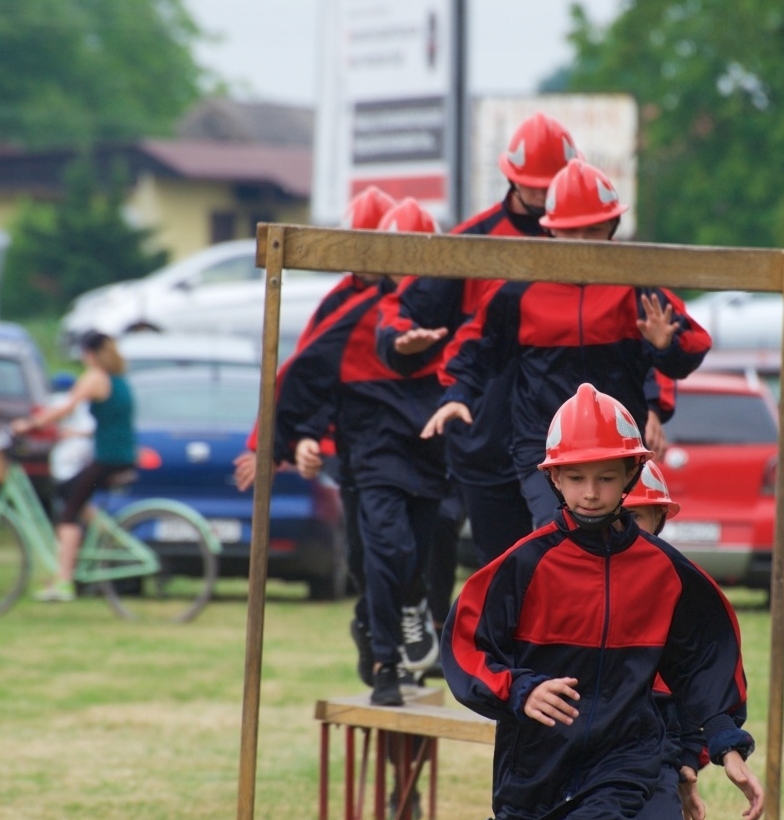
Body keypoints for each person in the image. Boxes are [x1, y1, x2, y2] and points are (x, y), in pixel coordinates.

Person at [443, 384, 764, 820]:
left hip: (623, 759)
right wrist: (520, 688)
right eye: (577, 478)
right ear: (555, 481)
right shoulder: (522, 565)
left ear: (630, 476)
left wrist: (725, 743)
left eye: (607, 477)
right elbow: (466, 647)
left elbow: (705, 660)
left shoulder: (666, 572)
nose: (591, 492)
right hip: (531, 767)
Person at [423, 159, 712, 527]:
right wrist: (457, 395)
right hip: (543, 446)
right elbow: (474, 348)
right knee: (559, 535)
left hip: (618, 449)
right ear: (550, 231)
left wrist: (664, 346)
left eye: (593, 230)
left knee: (622, 546)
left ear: (612, 227)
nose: (583, 244)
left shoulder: (638, 288)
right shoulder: (518, 290)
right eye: (572, 232)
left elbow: (694, 346)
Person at [376, 112, 578, 569]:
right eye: (536, 189)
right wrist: (400, 342)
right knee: (502, 571)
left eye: (554, 188)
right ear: (511, 179)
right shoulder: (473, 242)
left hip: (566, 442)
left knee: (568, 566)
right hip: (485, 443)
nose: (546, 201)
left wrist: (651, 401)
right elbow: (402, 308)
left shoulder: (591, 241)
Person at [271, 197, 447, 706]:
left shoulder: (443, 307)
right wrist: (301, 439)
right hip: (366, 452)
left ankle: (394, 639)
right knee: (376, 554)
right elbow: (305, 376)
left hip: (428, 453)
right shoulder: (347, 310)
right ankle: (380, 644)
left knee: (407, 554)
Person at [616, 461, 710, 820]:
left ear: (660, 521)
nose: (626, 529)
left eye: (639, 517)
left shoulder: (678, 592)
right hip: (571, 756)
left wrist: (686, 763)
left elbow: (697, 687)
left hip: (652, 754)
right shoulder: (561, 574)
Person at [10, 331, 134, 601]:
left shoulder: (95, 377)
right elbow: (113, 423)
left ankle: (65, 581)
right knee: (72, 493)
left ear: (87, 353)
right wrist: (76, 435)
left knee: (67, 514)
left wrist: (30, 425)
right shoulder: (119, 379)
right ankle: (102, 538)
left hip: (108, 458)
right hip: (120, 454)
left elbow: (66, 407)